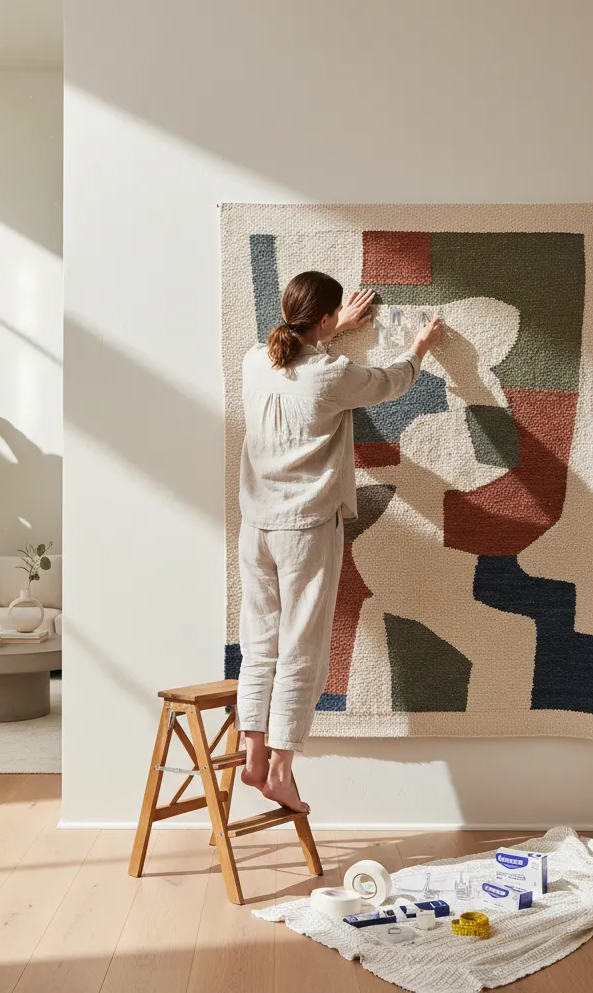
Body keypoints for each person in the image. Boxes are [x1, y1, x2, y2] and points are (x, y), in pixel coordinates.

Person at [236, 270, 445, 812]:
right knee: (302, 647)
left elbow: (297, 354)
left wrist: (334, 330)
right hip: (304, 529)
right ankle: (281, 769)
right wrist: (420, 348)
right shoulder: (333, 374)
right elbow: (391, 381)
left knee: (260, 647)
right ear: (327, 319)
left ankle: (252, 751)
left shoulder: (254, 361)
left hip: (254, 527)